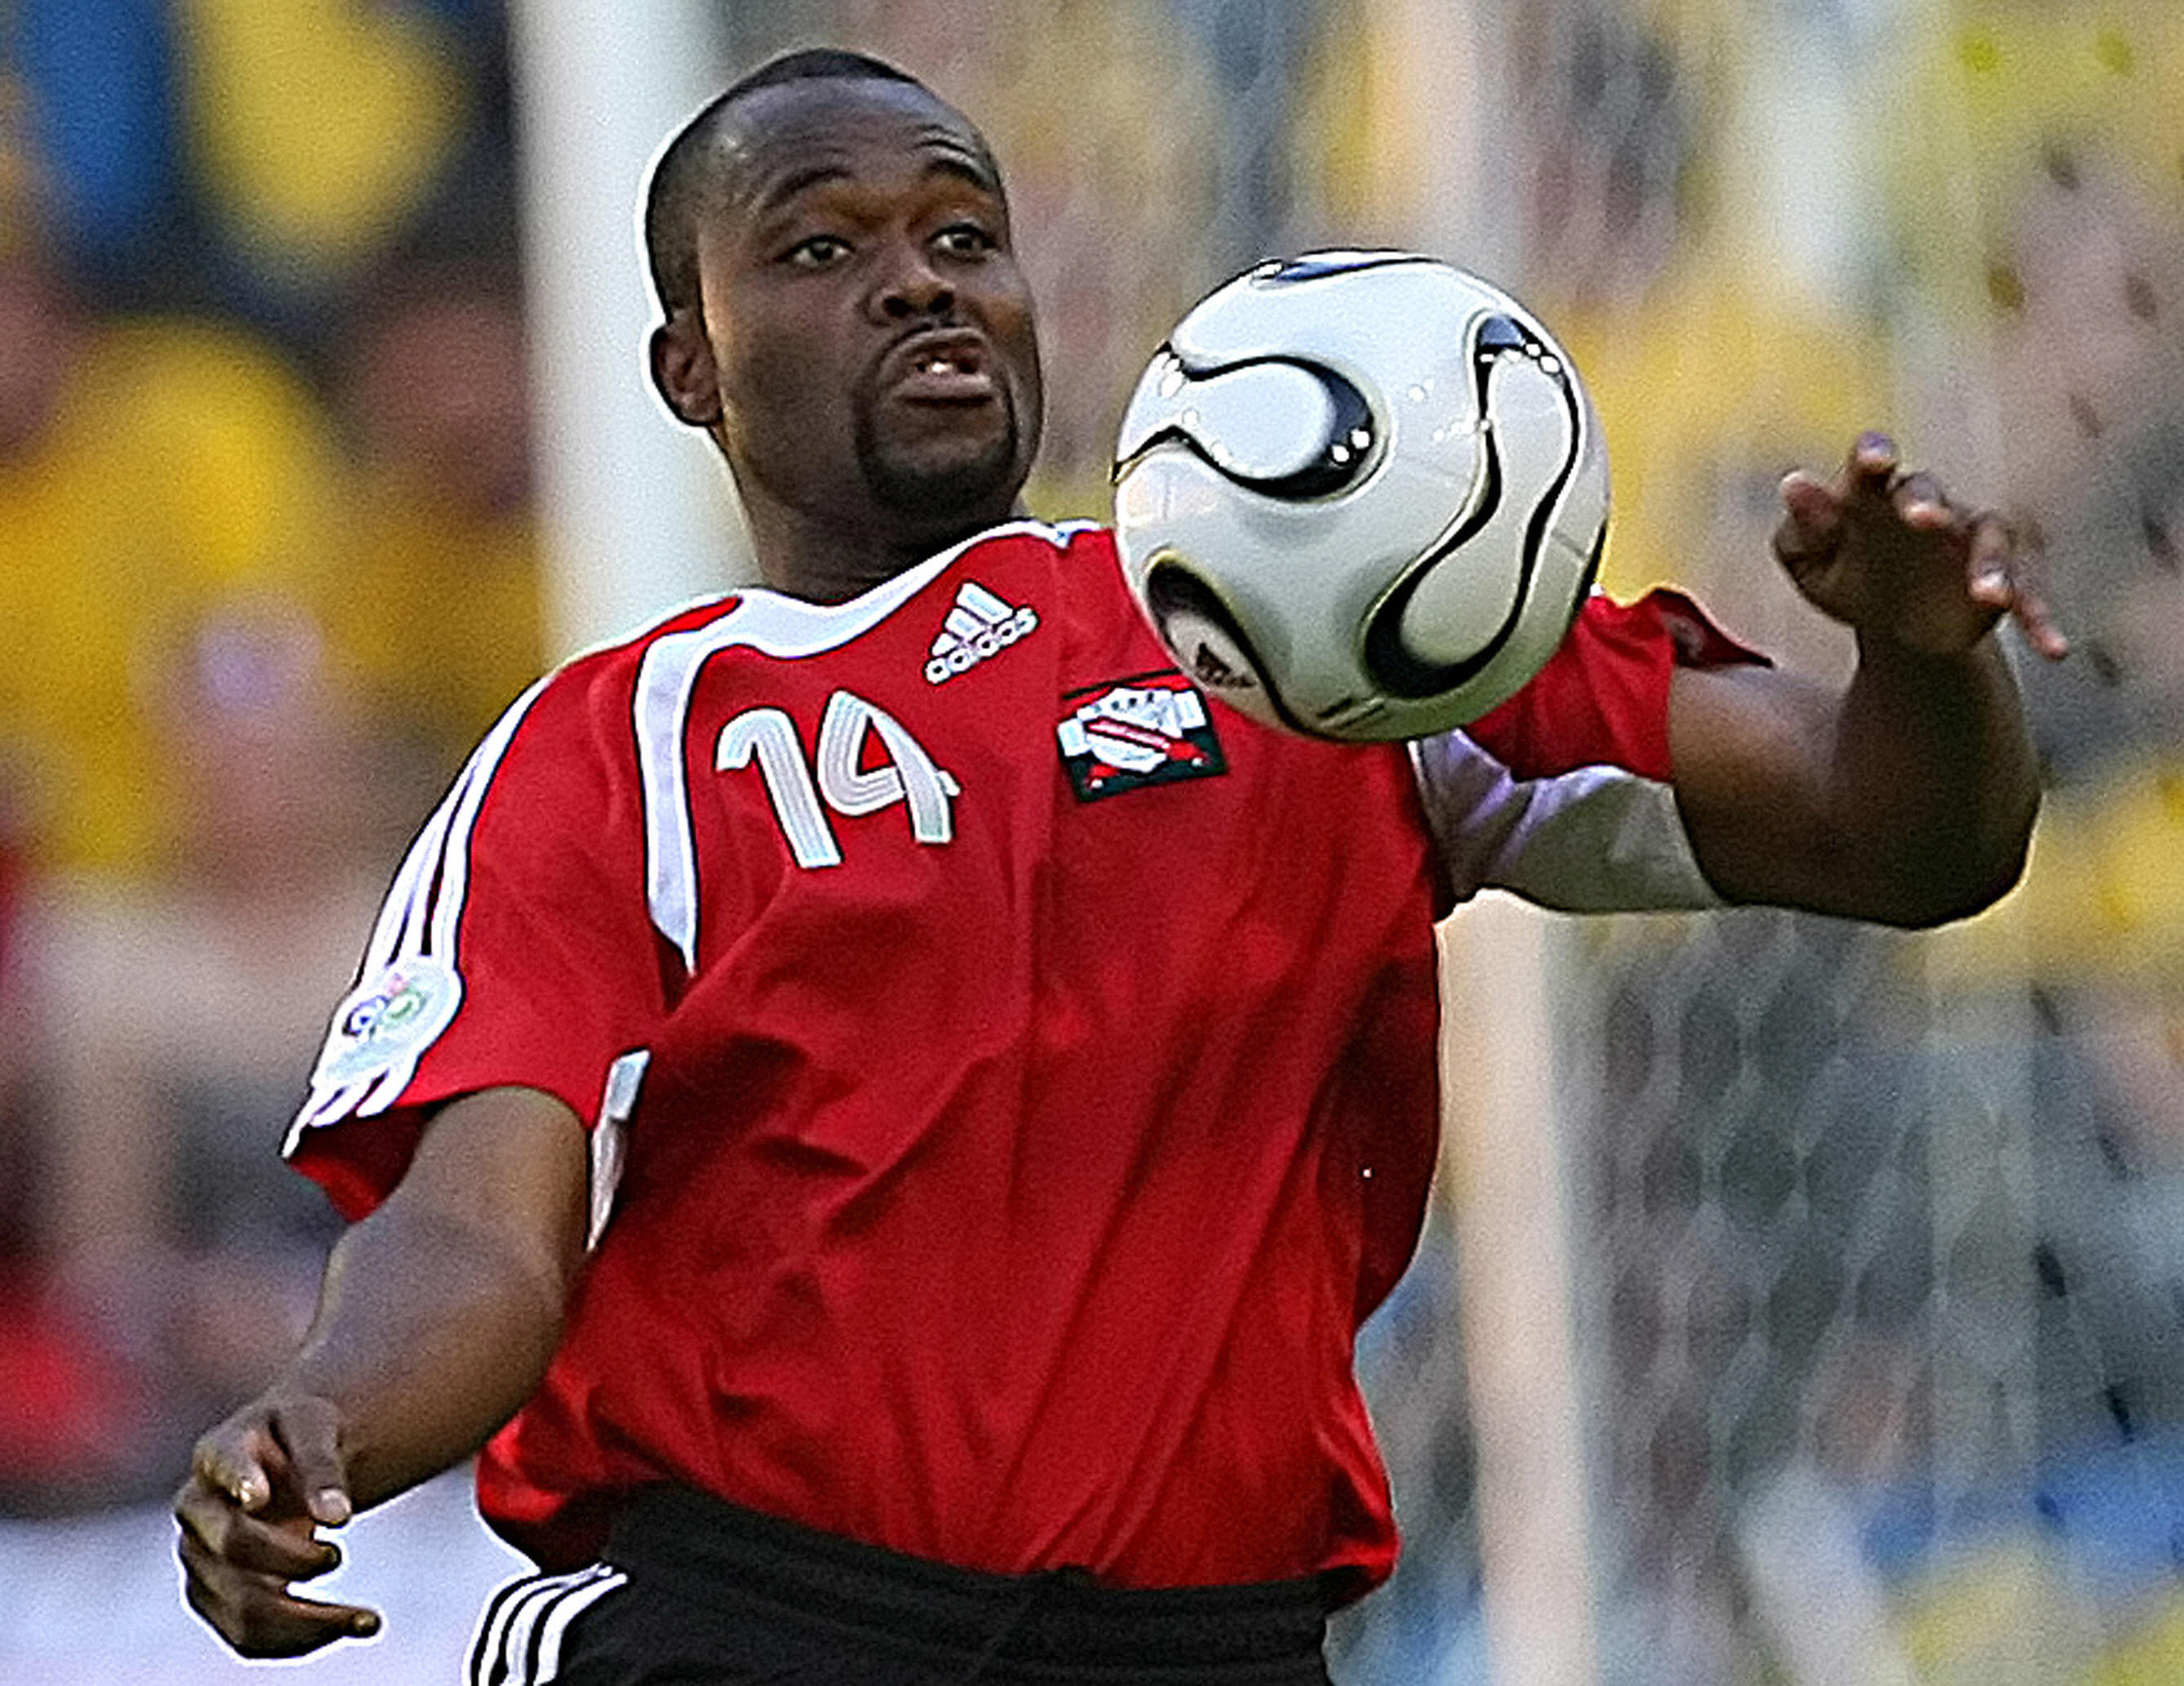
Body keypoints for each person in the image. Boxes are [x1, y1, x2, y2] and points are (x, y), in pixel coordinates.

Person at [173, 47, 2064, 1686]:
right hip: (750, 1627)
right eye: (821, 249)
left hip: (1209, 1642)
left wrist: (1920, 652)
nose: (918, 282)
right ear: (689, 366)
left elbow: (1896, 840)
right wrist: (324, 1424)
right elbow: (483, 1235)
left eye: (961, 234)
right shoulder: (613, 746)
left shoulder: (1309, 607)